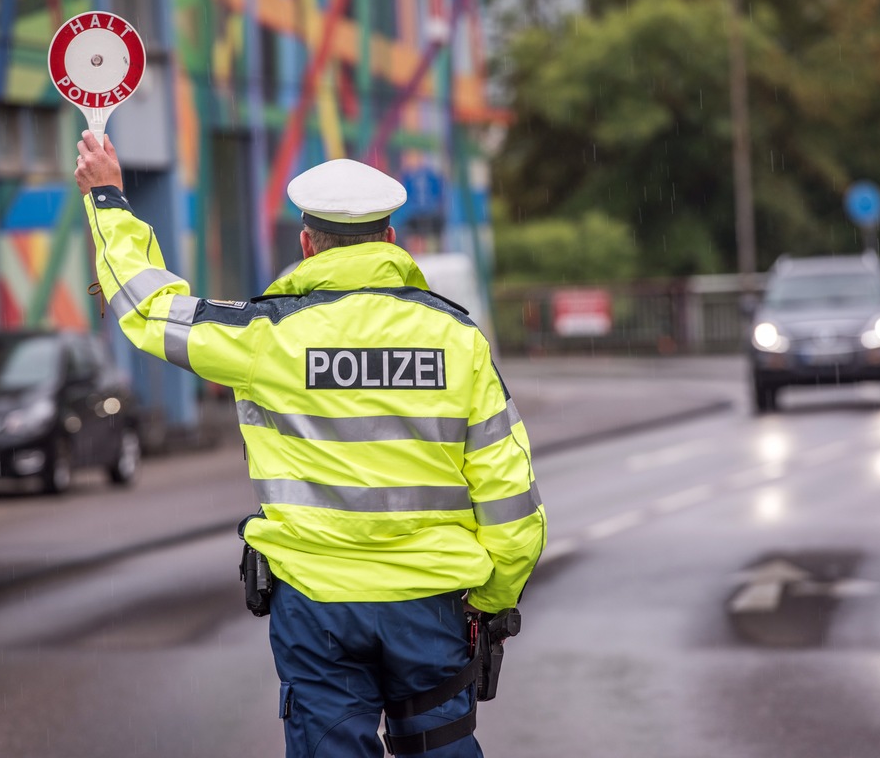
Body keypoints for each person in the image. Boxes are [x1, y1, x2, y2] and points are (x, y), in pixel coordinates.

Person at [74, 131, 546, 757]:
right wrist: (491, 600)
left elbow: (148, 308)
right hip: (432, 605)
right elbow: (511, 499)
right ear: (390, 241)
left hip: (317, 609)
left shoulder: (264, 335)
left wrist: (107, 198)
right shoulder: (457, 339)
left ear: (306, 245)